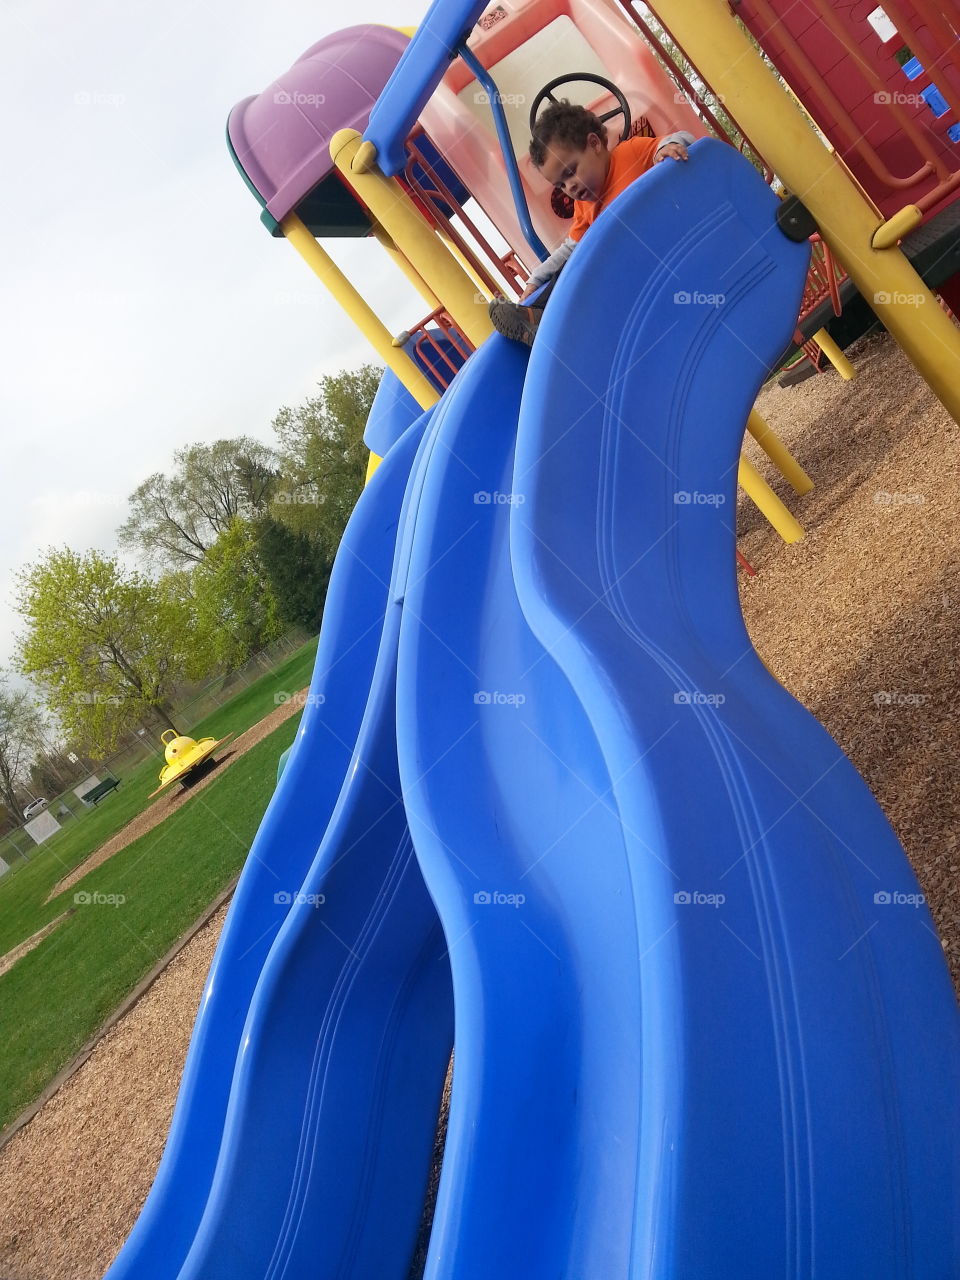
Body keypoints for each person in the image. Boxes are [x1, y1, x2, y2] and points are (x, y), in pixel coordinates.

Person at [489, 102, 695, 344]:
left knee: (593, 279)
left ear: (595, 144)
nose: (570, 187)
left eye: (571, 172)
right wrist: (535, 278)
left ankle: (556, 330)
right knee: (570, 270)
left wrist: (667, 148)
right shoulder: (583, 206)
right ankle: (537, 320)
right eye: (561, 185)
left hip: (655, 261)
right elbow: (570, 249)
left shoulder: (630, 153)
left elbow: (684, 138)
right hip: (623, 275)